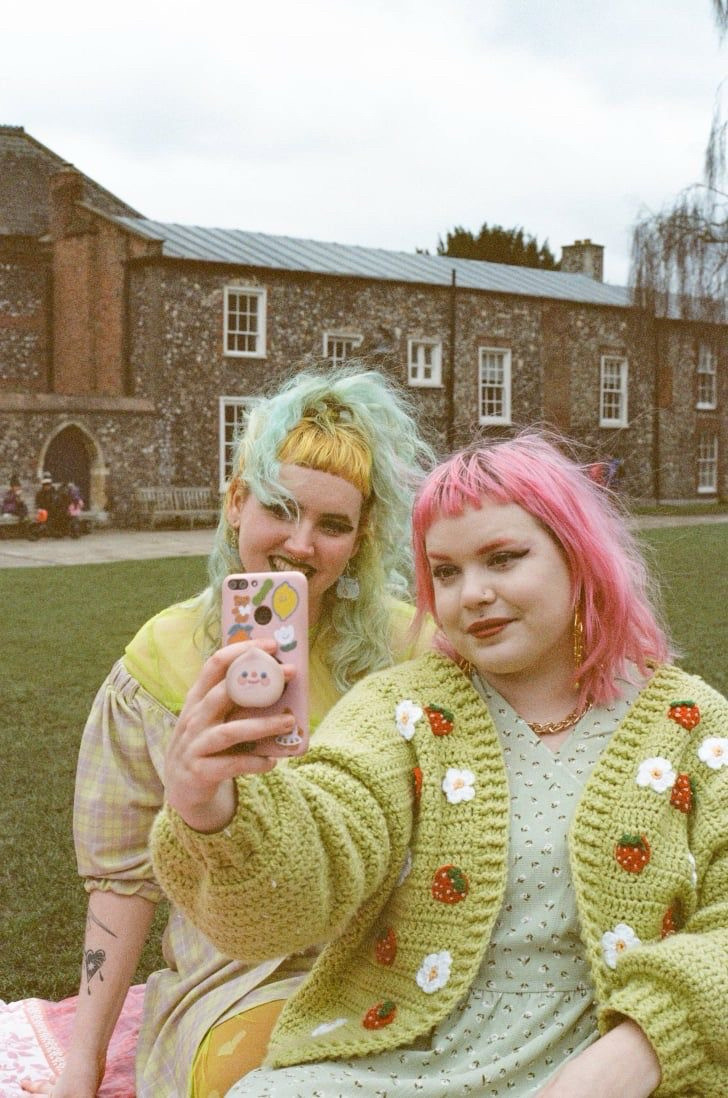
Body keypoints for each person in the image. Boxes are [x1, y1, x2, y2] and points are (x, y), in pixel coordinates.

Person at [151, 430, 728, 1097]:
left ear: (579, 558)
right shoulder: (402, 711)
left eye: (503, 559)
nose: (472, 593)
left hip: (617, 1073)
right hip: (407, 1063)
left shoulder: (691, 725)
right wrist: (213, 811)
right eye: (447, 572)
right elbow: (315, 865)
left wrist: (641, 1048)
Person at [21, 367, 436, 1098]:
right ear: (237, 503)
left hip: (397, 957)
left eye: (333, 524)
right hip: (238, 976)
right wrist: (81, 1069)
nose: (302, 545)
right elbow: (122, 882)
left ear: (361, 537)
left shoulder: (413, 650)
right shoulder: (164, 658)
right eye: (281, 508)